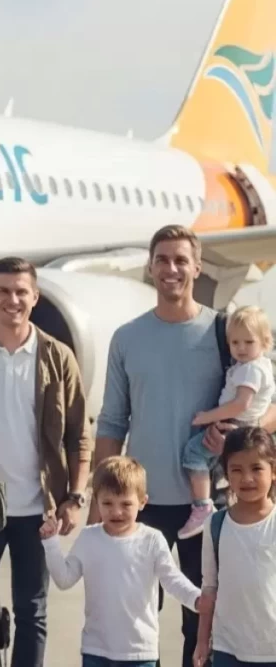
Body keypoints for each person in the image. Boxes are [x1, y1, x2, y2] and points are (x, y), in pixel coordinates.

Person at [93, 224, 276, 667]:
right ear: (150, 267)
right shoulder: (127, 337)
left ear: (197, 267)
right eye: (162, 259)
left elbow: (268, 403)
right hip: (141, 503)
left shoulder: (226, 333)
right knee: (134, 620)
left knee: (202, 621)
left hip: (207, 506)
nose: (171, 269)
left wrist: (240, 430)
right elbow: (113, 420)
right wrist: (100, 497)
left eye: (181, 260)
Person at [0, 256, 92, 667]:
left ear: (35, 296)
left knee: (32, 611)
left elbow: (79, 434)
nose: (13, 300)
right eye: (4, 291)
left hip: (39, 510)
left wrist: (75, 497)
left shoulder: (58, 357)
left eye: (21, 291)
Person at [40, 456, 201, 667]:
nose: (116, 512)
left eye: (126, 504)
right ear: (96, 500)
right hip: (96, 650)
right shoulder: (88, 538)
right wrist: (50, 543)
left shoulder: (152, 540)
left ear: (142, 502)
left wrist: (197, 599)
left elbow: (172, 580)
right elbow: (64, 579)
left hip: (140, 653)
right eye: (107, 503)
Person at [180, 305, 275, 538]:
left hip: (237, 425)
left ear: (265, 342)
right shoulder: (256, 365)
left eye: (248, 342)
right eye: (235, 342)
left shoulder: (250, 370)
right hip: (244, 427)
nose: (241, 348)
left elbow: (241, 403)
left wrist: (207, 416)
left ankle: (202, 506)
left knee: (194, 453)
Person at [195, 426, 276, 667]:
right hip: (227, 649)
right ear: (226, 473)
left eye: (256, 468)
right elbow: (209, 587)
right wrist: (202, 641)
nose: (247, 478)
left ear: (273, 471)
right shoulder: (215, 524)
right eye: (237, 470)